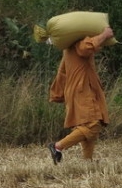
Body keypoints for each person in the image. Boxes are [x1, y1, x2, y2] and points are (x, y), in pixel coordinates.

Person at [47, 26, 114, 164]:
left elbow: (62, 73)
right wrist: (104, 35)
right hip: (82, 91)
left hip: (76, 91)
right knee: (92, 126)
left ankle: (87, 161)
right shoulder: (79, 42)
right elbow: (85, 48)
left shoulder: (68, 49)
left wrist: (58, 93)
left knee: (86, 126)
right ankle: (58, 146)